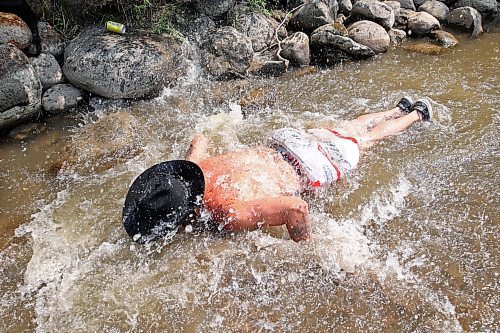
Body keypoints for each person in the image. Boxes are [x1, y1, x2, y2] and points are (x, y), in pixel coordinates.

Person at [123, 97, 433, 244]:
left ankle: (416, 115)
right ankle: (397, 108)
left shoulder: (223, 211)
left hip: (309, 167)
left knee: (367, 140)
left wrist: (306, 248)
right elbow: (200, 138)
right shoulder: (193, 170)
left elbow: (296, 207)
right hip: (284, 142)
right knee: (348, 128)